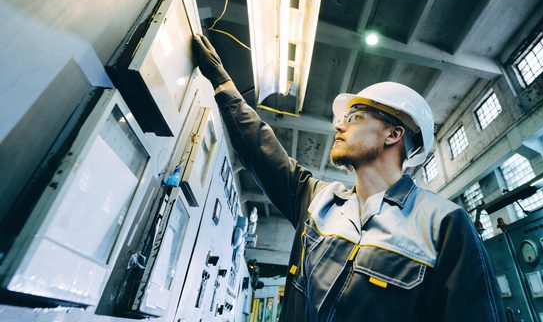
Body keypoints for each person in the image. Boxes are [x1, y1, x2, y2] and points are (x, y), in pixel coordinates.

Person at [193, 34, 505, 321]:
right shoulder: (318, 200)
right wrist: (223, 85)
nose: (338, 127)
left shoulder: (443, 225)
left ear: (394, 134)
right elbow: (262, 151)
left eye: (354, 118)